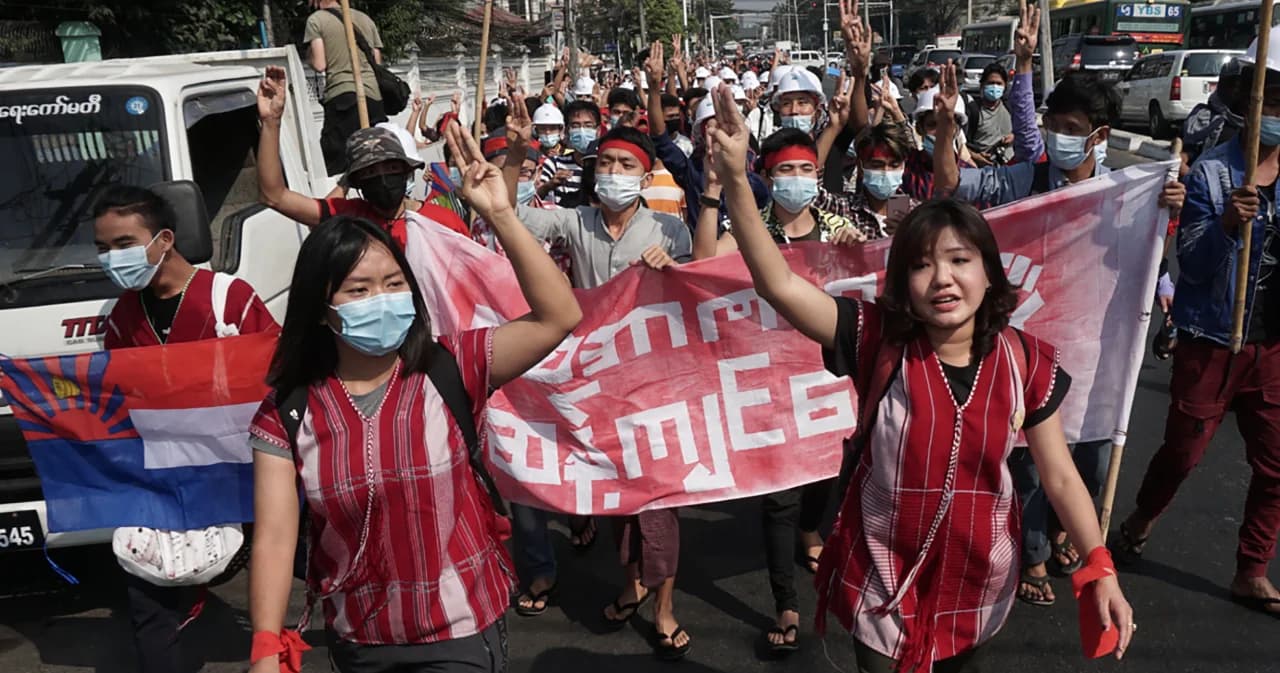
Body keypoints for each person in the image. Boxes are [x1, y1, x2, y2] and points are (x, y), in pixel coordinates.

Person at [702, 82, 1136, 672]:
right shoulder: (876, 338)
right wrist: (733, 178)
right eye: (921, 264)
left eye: (959, 259)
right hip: (880, 580)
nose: (942, 279)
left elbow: (1059, 477)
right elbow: (777, 284)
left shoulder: (1027, 363)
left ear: (989, 271)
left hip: (977, 584)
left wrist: (1098, 565)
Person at [245, 122, 583, 672]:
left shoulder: (455, 366)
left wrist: (501, 213)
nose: (380, 300)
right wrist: (265, 646)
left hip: (460, 629)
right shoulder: (288, 413)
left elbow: (559, 315)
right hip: (358, 638)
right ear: (321, 306)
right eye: (358, 290)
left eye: (393, 283)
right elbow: (279, 538)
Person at [505, 123, 695, 658]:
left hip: (653, 382)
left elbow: (695, 288)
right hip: (596, 384)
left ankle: (663, 606)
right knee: (615, 493)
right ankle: (632, 580)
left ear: (645, 174)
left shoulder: (668, 229)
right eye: (606, 163)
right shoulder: (575, 219)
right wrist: (519, 155)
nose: (613, 173)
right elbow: (513, 217)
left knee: (658, 500)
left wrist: (673, 269)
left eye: (626, 165)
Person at [1114, 42, 1280, 619]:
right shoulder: (1214, 173)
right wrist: (1230, 223)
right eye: (1273, 97)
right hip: (1211, 339)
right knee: (1182, 454)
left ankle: (1251, 570)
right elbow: (1196, 263)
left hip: (1272, 346)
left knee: (1277, 466)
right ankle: (1138, 520)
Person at [93, 184, 278, 673]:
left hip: (242, 476)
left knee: (304, 560)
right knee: (148, 600)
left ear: (165, 240)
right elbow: (114, 400)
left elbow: (279, 379)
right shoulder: (119, 320)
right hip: (165, 484)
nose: (113, 258)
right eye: (103, 248)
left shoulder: (229, 301)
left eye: (125, 244)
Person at [256, 67, 469, 244]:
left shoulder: (443, 222)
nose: (383, 178)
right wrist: (272, 122)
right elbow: (274, 196)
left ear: (406, 171)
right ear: (357, 182)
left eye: (391, 168)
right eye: (370, 172)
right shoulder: (351, 220)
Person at [304, 0, 387, 175]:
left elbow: (319, 64)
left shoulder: (316, 20)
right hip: (374, 98)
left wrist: (309, 56)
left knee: (339, 163)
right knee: (375, 159)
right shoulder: (365, 20)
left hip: (343, 96)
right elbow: (377, 63)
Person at [539, 100, 597, 206]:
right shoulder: (554, 164)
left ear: (598, 130)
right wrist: (550, 185)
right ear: (567, 131)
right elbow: (536, 198)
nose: (582, 131)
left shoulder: (606, 166)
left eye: (588, 125)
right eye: (575, 126)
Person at [965, 63, 1014, 167]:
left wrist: (1014, 136)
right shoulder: (973, 110)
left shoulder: (1010, 107)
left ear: (1005, 86)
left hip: (1009, 168)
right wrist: (975, 156)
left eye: (999, 83)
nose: (995, 87)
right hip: (981, 169)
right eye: (991, 83)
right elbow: (960, 144)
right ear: (982, 85)